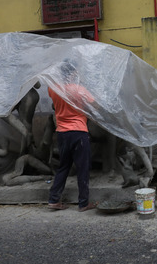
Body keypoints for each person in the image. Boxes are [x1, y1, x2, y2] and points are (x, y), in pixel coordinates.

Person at [47, 60, 96, 212]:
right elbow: (96, 105)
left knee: (63, 166)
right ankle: (83, 203)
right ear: (74, 73)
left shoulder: (53, 89)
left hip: (62, 133)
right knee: (83, 168)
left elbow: (55, 105)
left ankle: (54, 199)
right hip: (79, 132)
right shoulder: (80, 90)